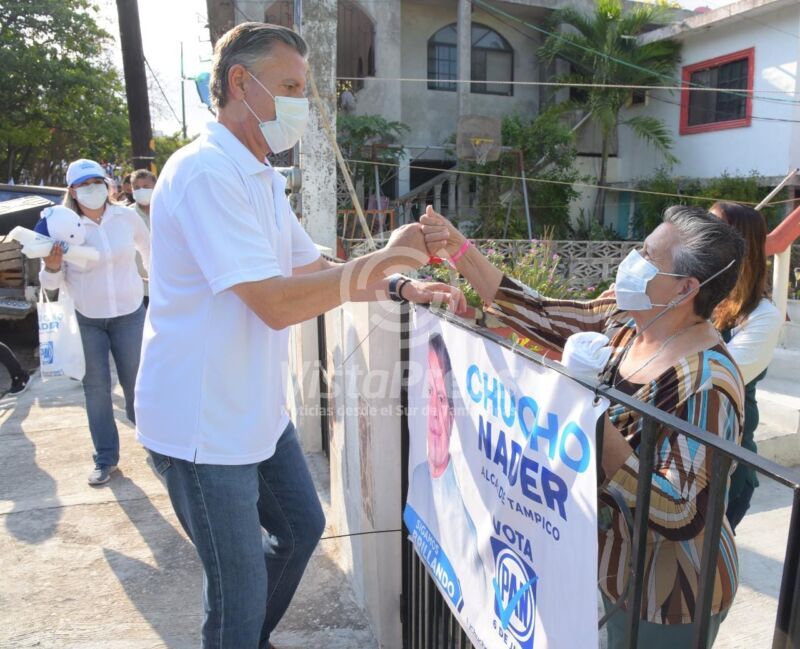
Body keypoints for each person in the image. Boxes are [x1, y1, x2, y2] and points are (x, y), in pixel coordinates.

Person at [134, 22, 464, 649]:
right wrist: (388, 257)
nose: (301, 104)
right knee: (237, 594)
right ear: (240, 82)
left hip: (252, 412)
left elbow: (312, 271)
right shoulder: (206, 173)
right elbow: (276, 304)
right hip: (202, 427)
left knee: (301, 526)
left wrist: (399, 282)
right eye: (289, 87)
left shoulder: (257, 174)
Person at [420, 205, 745, 648]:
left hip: (670, 593)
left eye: (648, 256)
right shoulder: (626, 322)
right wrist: (457, 248)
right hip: (613, 564)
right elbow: (540, 312)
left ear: (686, 288)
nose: (632, 261)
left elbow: (679, 511)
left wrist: (586, 404)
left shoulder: (708, 382)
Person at [40, 158, 150, 486]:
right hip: (87, 319)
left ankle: (155, 445)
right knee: (97, 390)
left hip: (129, 313)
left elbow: (150, 251)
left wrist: (160, 290)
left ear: (107, 185)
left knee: (138, 383)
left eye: (97, 182)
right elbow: (50, 283)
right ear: (72, 191)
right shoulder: (62, 226)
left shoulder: (126, 217)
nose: (92, 189)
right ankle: (105, 458)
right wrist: (53, 265)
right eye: (84, 185)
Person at [709, 202, 784, 530]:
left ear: (742, 247)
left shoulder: (762, 316)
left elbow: (715, 375)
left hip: (726, 471)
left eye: (713, 230)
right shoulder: (700, 295)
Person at [405, 333, 486, 613]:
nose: (433, 412)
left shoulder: (466, 513)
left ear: (455, 411)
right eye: (429, 393)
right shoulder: (418, 475)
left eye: (442, 398)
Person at [131, 169, 156, 306]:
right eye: (137, 188)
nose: (141, 191)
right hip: (138, 290)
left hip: (167, 287)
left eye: (146, 187)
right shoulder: (126, 216)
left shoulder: (168, 212)